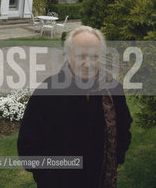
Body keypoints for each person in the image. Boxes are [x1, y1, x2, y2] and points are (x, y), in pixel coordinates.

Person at [17, 25, 133, 188]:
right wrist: (46, 178)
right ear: (68, 55)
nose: (88, 63)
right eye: (81, 56)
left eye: (94, 56)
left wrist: (116, 158)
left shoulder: (113, 89)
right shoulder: (47, 92)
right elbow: (28, 144)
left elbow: (124, 128)